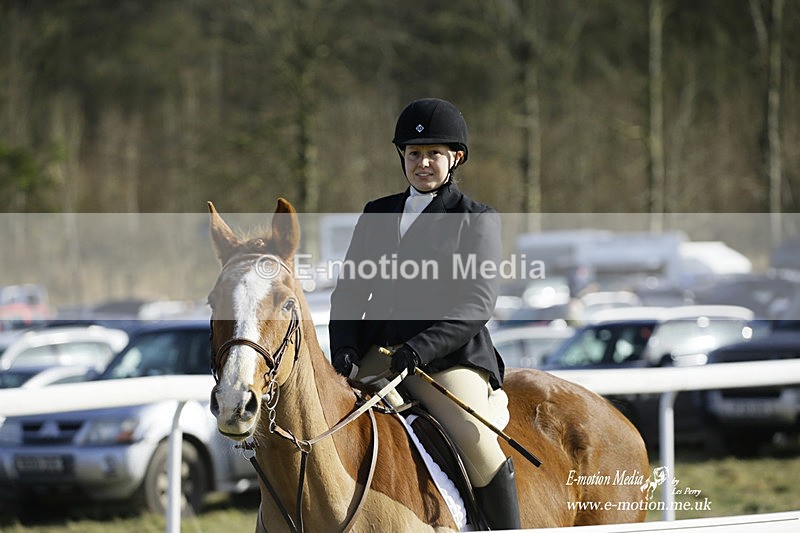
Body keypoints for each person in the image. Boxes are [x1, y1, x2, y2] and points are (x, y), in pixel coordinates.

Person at [328, 98, 519, 530]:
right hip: (378, 354)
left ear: (456, 158)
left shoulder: (476, 219)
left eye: (434, 154)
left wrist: (419, 348)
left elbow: (477, 303)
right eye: (414, 154)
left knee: (479, 446)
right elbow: (351, 291)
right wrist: (343, 347)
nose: (423, 163)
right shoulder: (377, 213)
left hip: (447, 361)